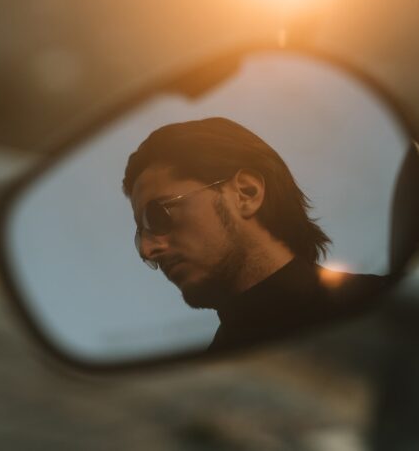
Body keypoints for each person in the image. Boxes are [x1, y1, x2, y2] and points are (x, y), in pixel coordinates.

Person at [122, 117, 388, 351]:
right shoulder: (217, 365)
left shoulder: (386, 308)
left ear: (246, 193)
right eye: (140, 233)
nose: (147, 249)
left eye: (157, 216)